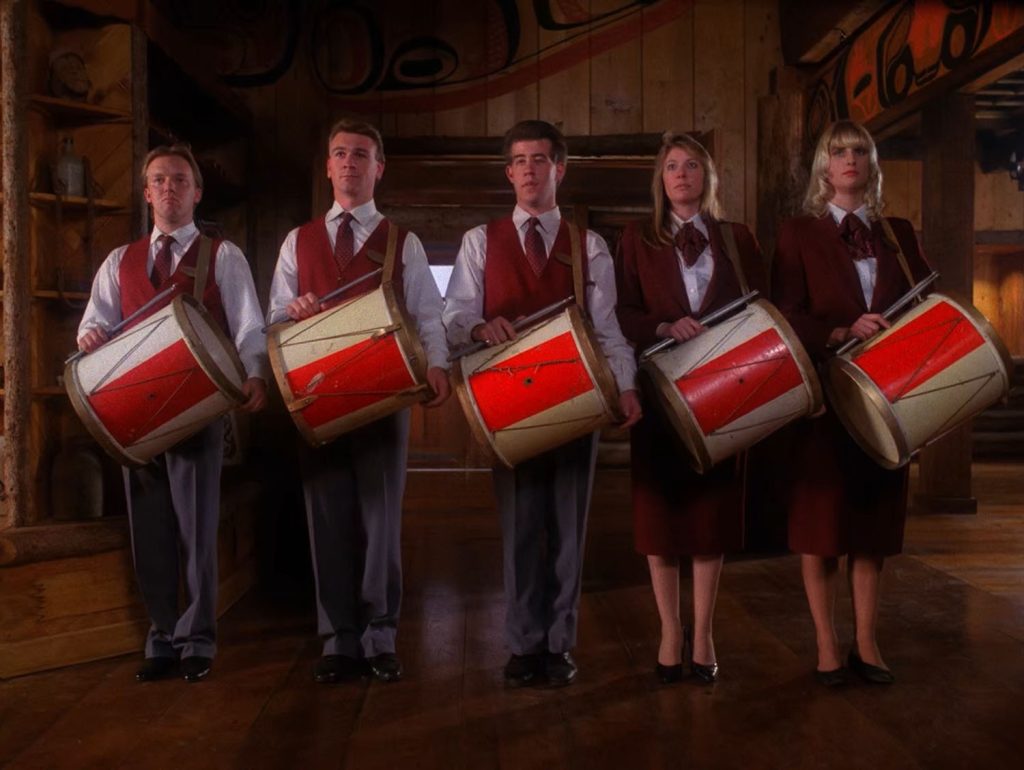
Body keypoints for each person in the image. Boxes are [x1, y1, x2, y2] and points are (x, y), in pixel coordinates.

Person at [443, 120, 642, 688]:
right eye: (520, 160)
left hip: (578, 402)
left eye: (540, 159)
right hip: (506, 405)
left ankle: (559, 644)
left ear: (560, 168)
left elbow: (607, 331)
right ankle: (523, 643)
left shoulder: (589, 246)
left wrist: (625, 385)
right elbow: (453, 317)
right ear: (509, 172)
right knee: (521, 528)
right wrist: (481, 326)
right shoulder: (480, 241)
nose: (529, 169)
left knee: (568, 530)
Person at [266, 118, 450, 684]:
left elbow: (427, 315)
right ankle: (338, 639)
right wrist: (292, 311)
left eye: (361, 154)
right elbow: (272, 319)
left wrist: (438, 364)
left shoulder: (403, 242)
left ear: (379, 168)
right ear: (328, 166)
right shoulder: (298, 241)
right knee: (327, 519)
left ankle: (380, 635)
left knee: (381, 520)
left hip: (383, 398)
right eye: (340, 153)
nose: (350, 163)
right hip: (317, 399)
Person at [77, 144, 268, 683]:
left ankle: (199, 639)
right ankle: (161, 636)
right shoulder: (120, 261)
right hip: (132, 415)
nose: (169, 189)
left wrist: (255, 374)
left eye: (180, 180)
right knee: (151, 532)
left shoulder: (222, 256)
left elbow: (250, 325)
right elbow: (95, 325)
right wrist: (89, 335)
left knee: (197, 529)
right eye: (159, 180)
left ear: (196, 191)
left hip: (198, 411)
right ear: (146, 192)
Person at [772, 119, 931, 686]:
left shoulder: (899, 232)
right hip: (825, 397)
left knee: (872, 526)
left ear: (871, 163)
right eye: (838, 152)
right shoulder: (799, 233)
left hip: (890, 398)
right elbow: (785, 315)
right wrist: (840, 330)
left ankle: (866, 642)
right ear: (824, 166)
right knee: (822, 529)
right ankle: (826, 647)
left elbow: (923, 307)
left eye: (859, 151)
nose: (849, 160)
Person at [615, 132, 765, 684]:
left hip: (727, 393)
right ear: (661, 179)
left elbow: (762, 309)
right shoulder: (636, 238)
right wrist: (659, 326)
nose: (681, 175)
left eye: (692, 166)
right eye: (672, 167)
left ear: (708, 177)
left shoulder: (738, 238)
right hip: (659, 392)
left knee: (711, 514)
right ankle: (669, 633)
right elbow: (620, 313)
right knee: (661, 518)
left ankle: (703, 634)